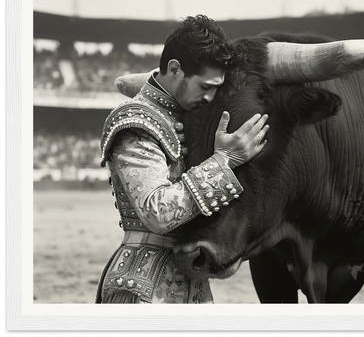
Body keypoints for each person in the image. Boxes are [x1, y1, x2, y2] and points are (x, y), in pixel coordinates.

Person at [96, 15, 270, 304]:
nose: (210, 97)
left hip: (193, 285)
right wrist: (224, 160)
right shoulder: (137, 121)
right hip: (143, 287)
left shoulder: (188, 116)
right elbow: (157, 212)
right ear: (175, 69)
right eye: (205, 87)